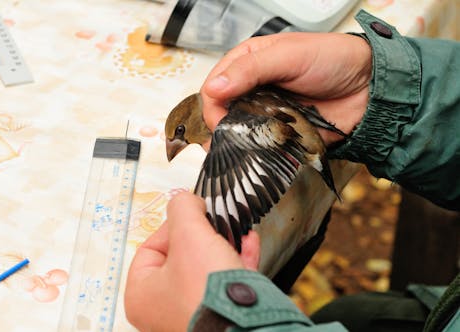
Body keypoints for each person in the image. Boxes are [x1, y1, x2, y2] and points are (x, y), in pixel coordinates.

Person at [124, 10, 460, 332]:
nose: (175, 147)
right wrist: (371, 85)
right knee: (348, 314)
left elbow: (236, 176)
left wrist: (222, 321)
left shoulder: (232, 125)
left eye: (179, 135)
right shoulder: (236, 112)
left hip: (298, 140)